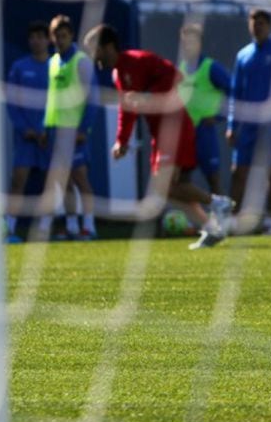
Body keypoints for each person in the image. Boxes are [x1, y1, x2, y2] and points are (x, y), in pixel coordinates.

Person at [83, 24, 233, 250]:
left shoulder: (137, 59)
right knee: (170, 190)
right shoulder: (118, 74)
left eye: (95, 50)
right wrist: (121, 141)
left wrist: (147, 96)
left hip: (174, 127)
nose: (93, 57)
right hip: (160, 133)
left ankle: (218, 203)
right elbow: (128, 108)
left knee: (164, 187)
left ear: (108, 46)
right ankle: (212, 229)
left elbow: (177, 76)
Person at [226, 8, 271, 235]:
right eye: (253, 22)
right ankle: (233, 222)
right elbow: (235, 92)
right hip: (247, 126)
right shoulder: (243, 55)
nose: (257, 27)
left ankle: (270, 222)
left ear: (269, 26)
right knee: (238, 172)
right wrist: (231, 125)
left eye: (262, 23)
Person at [39, 14, 99, 241]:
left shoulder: (81, 61)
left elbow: (92, 99)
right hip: (55, 131)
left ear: (71, 36)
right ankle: (72, 226)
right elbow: (50, 99)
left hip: (74, 132)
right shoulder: (53, 62)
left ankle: (90, 226)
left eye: (64, 36)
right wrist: (46, 128)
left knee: (81, 179)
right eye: (56, 36)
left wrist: (84, 129)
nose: (60, 40)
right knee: (61, 181)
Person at [4, 21, 52, 243]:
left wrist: (48, 130)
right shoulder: (19, 67)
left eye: (40, 36)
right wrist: (27, 130)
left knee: (50, 183)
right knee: (18, 181)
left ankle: (43, 229)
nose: (36, 41)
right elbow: (12, 104)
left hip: (50, 137)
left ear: (47, 39)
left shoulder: (57, 67)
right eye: (32, 37)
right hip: (26, 138)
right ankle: (8, 229)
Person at [177, 23, 231, 196]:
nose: (188, 46)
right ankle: (193, 217)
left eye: (191, 42)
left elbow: (235, 91)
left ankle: (222, 219)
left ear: (199, 43)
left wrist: (219, 116)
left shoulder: (211, 67)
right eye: (185, 42)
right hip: (185, 134)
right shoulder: (181, 69)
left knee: (213, 180)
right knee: (182, 180)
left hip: (205, 133)